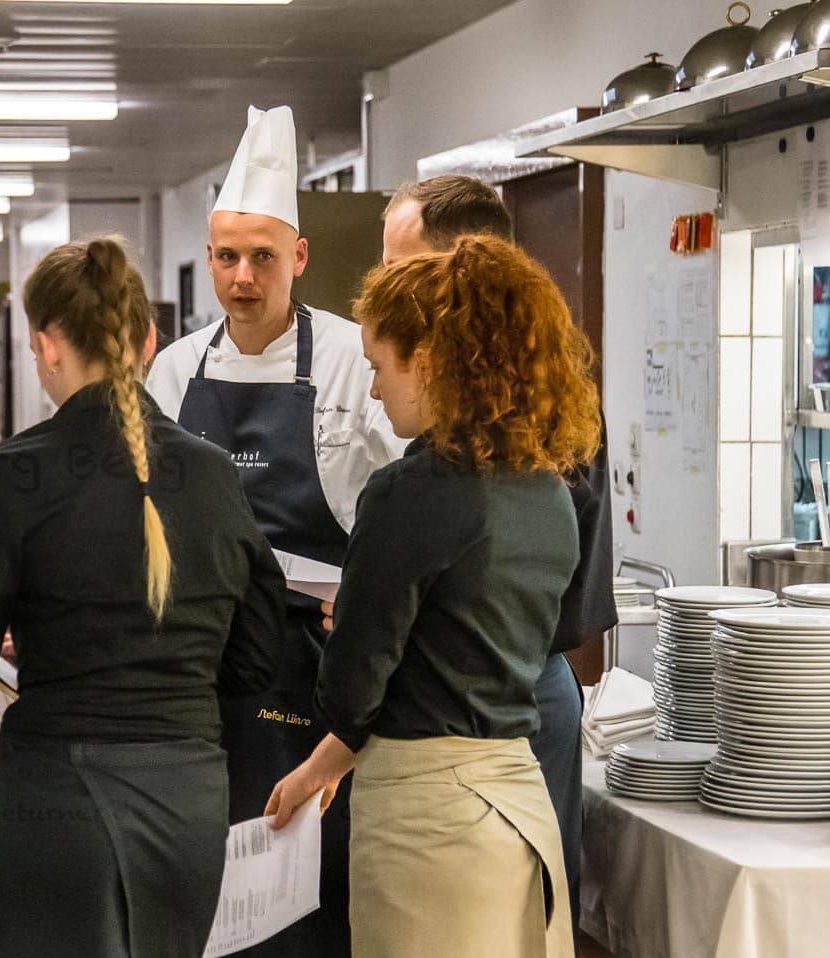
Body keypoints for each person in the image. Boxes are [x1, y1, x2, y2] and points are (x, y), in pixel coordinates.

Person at [0, 237, 288, 958]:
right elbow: (255, 657)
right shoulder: (213, 474)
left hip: (55, 801)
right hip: (189, 802)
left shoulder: (10, 477)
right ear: (148, 342)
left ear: (48, 346)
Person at [266, 235, 601, 958]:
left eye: (379, 366)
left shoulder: (408, 493)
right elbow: (454, 656)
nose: (374, 390)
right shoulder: (548, 491)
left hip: (431, 827)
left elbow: (351, 689)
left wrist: (352, 616)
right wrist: (321, 768)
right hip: (516, 807)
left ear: (431, 361)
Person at [146, 104, 404, 958]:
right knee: (208, 870)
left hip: (318, 662)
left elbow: (410, 505)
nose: (243, 277)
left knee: (315, 880)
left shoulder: (353, 360)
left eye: (263, 256)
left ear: (299, 256)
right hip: (204, 660)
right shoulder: (173, 371)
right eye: (227, 257)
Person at [382, 174, 618, 927]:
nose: (386, 285)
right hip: (473, 691)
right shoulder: (422, 380)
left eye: (402, 267)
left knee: (522, 918)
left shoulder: (538, 389)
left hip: (509, 696)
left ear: (462, 268)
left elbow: (538, 584)